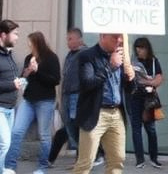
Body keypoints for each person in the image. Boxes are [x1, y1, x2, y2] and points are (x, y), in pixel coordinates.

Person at [70, 32, 137, 174]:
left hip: (116, 113)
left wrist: (131, 77)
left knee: (117, 159)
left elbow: (130, 89)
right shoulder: (87, 56)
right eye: (114, 36)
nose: (119, 40)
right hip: (95, 113)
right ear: (102, 36)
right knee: (86, 162)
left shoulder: (122, 57)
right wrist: (110, 66)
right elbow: (87, 83)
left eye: (120, 37)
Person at [5, 31, 60, 174]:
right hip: (28, 100)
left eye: (30, 41)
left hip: (45, 101)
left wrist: (37, 71)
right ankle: (10, 166)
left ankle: (42, 167)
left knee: (44, 135)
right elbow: (24, 78)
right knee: (16, 132)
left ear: (37, 42)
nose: (28, 44)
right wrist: (26, 73)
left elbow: (55, 80)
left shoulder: (51, 57)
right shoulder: (29, 57)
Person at [49, 28, 93, 165]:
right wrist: (60, 98)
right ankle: (86, 155)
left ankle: (85, 157)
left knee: (75, 126)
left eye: (70, 39)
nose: (67, 42)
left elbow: (89, 76)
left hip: (78, 95)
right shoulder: (70, 55)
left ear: (78, 39)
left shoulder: (85, 53)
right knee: (69, 126)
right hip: (67, 96)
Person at [128, 37, 163, 169]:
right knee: (136, 129)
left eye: (141, 48)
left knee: (151, 129)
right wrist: (150, 80)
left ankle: (154, 158)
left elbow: (158, 80)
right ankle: (139, 159)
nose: (139, 51)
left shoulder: (154, 61)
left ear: (147, 48)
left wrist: (145, 81)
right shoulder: (133, 62)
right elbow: (130, 80)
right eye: (137, 48)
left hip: (148, 99)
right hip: (135, 97)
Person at [0, 20, 20, 172]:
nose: (17, 37)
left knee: (5, 143)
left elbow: (12, 79)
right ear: (3, 35)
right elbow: (9, 83)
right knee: (4, 143)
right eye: (15, 34)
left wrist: (28, 72)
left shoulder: (8, 54)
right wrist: (12, 85)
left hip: (10, 108)